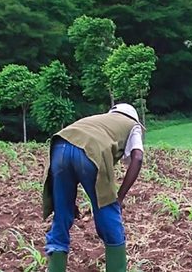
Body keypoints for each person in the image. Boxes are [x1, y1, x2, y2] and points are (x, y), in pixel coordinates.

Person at [42, 103, 145, 272]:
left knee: (61, 217)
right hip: (91, 151)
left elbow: (72, 151)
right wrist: (119, 197)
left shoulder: (99, 119)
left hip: (59, 146)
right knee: (108, 212)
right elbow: (138, 157)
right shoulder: (132, 124)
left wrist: (68, 200)